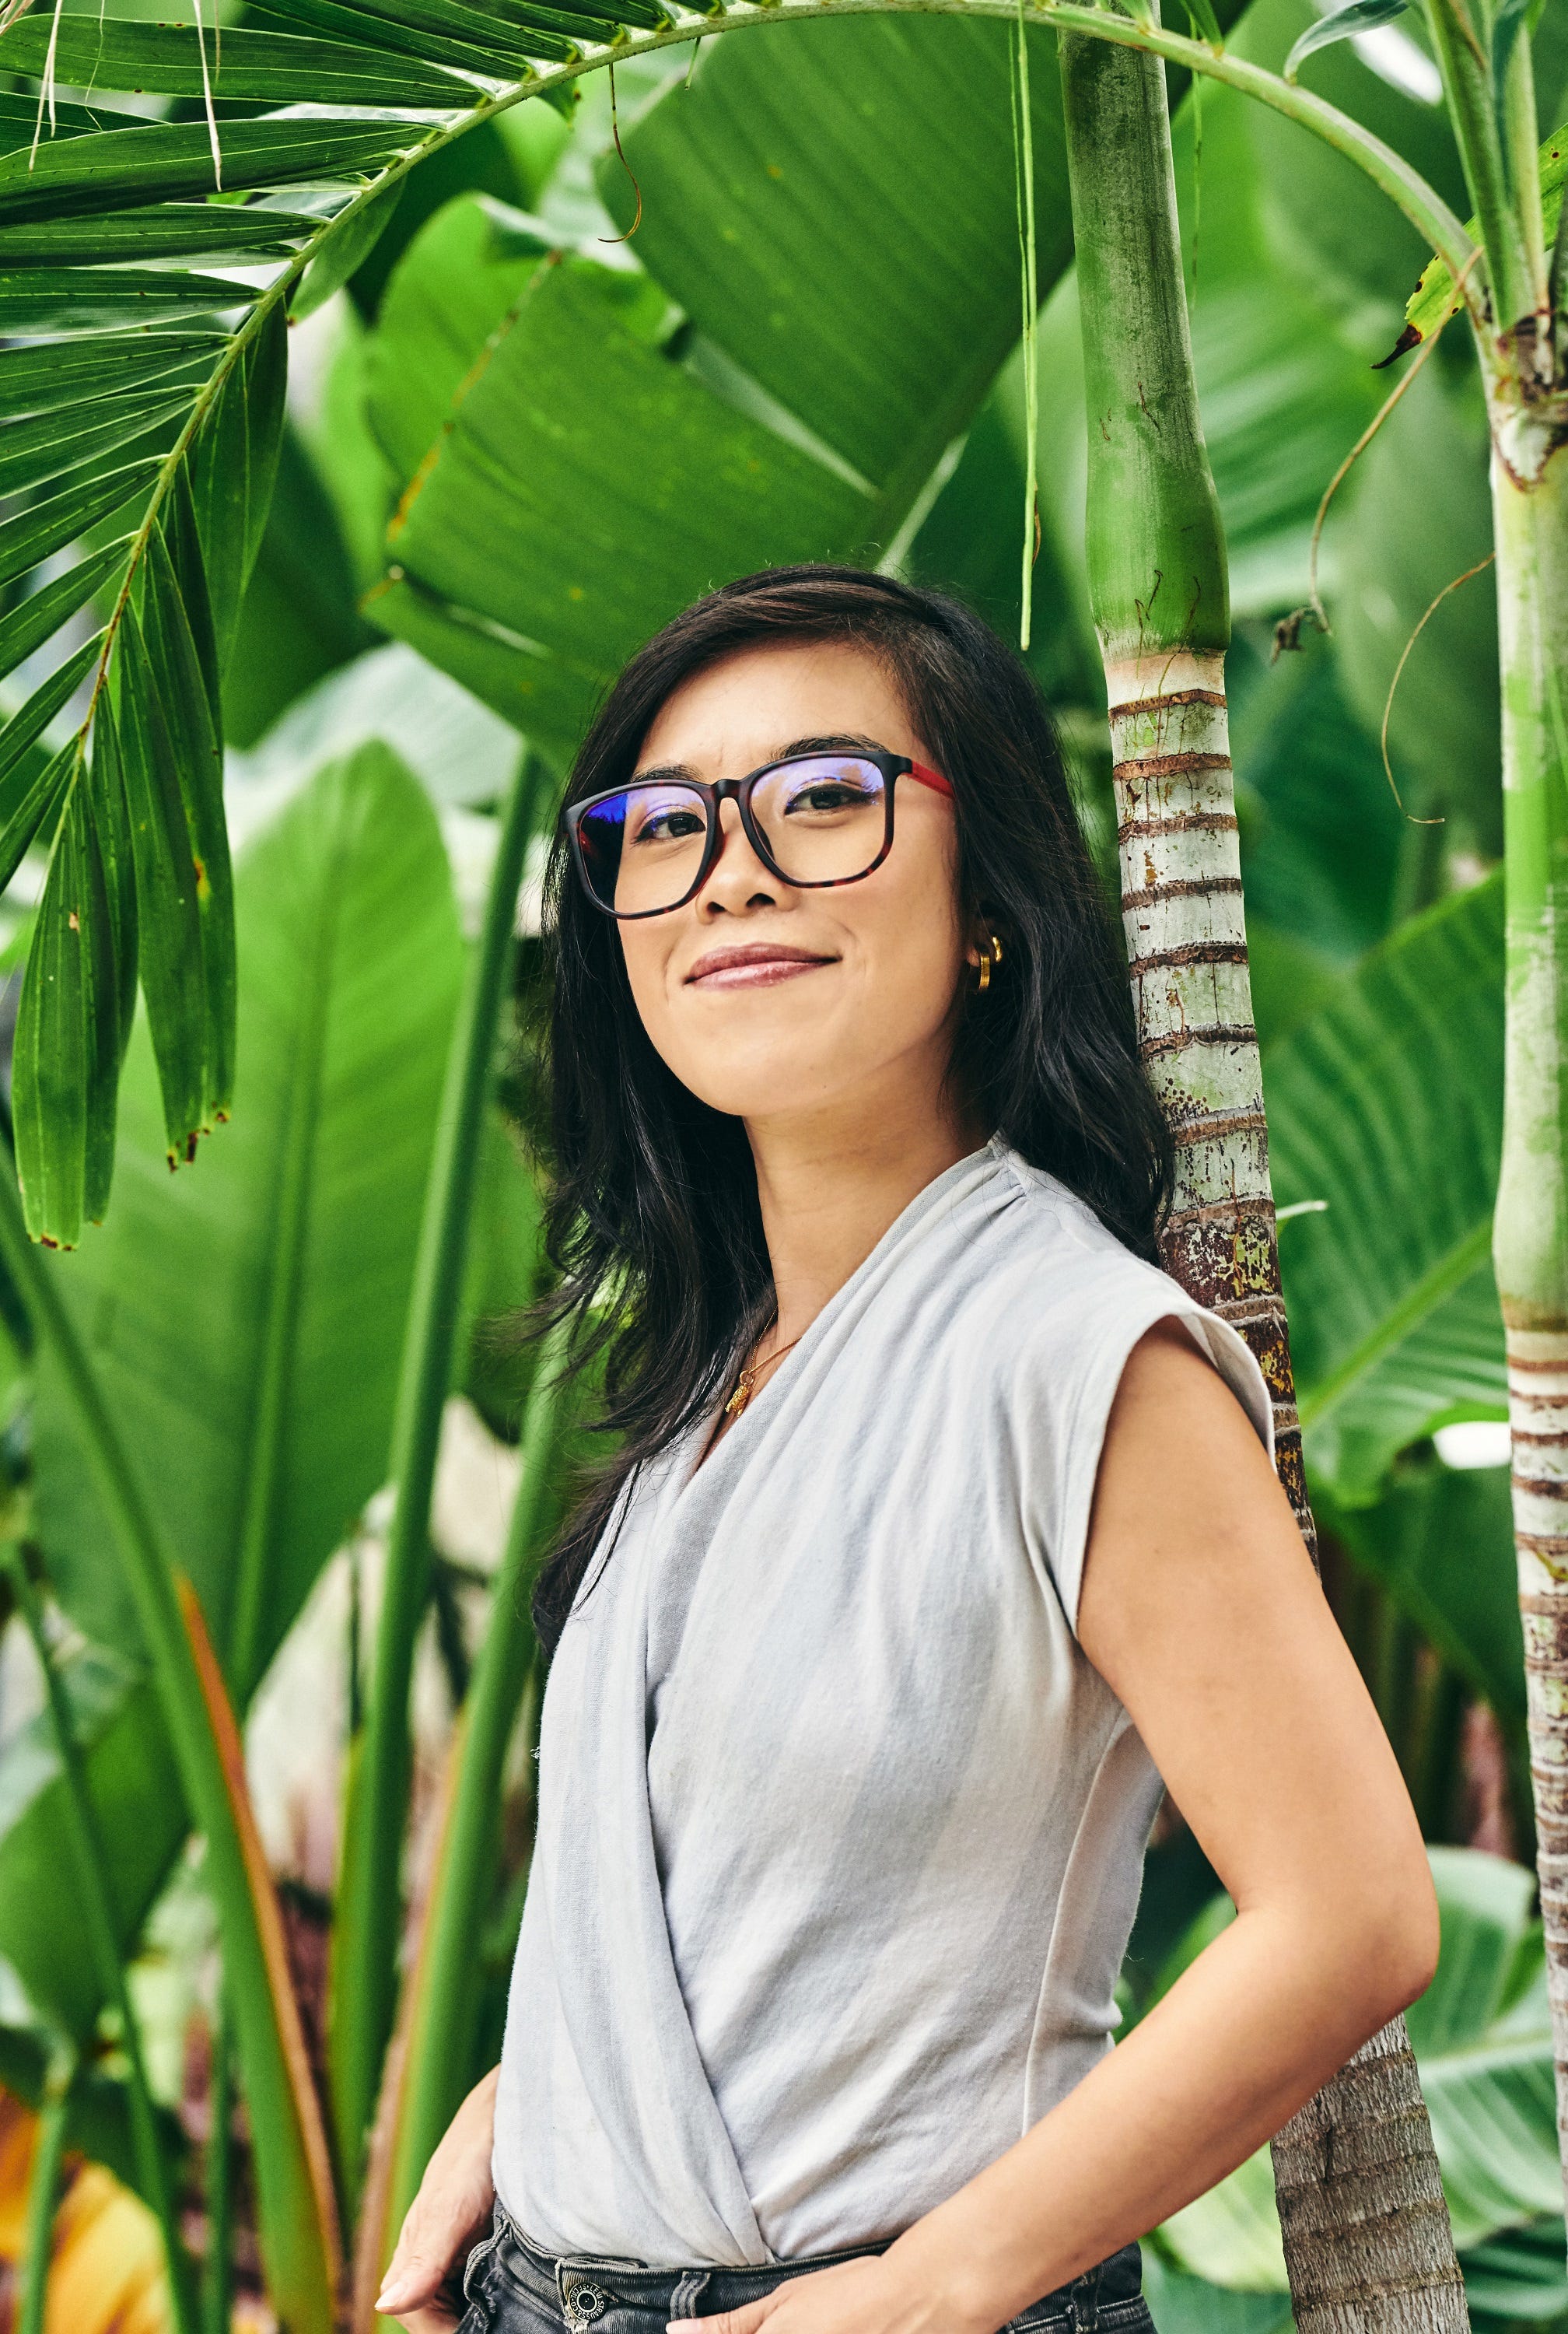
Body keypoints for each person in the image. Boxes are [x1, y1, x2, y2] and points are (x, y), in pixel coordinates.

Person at [374, 566, 1438, 2334]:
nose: (732, 868)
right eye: (664, 825)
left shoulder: (1073, 1352)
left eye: (822, 800)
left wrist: (937, 2289)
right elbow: (766, 1918)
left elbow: (1352, 1915)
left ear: (986, 909)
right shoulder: (704, 1388)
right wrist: (538, 2111)